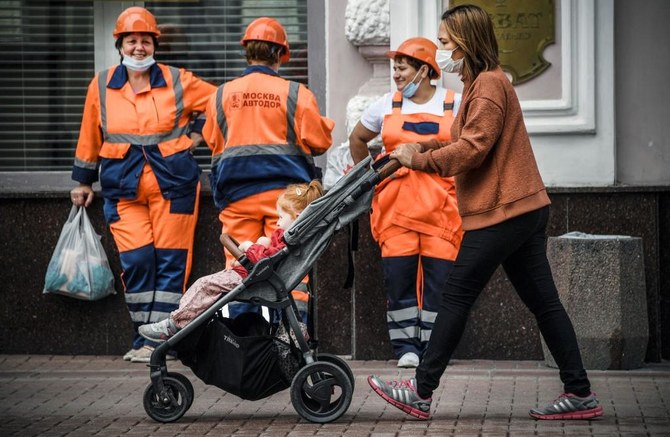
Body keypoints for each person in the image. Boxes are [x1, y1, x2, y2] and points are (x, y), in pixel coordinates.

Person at [367, 4, 603, 421]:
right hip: (519, 208)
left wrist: (418, 160)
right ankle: (579, 392)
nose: (441, 50)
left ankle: (420, 390)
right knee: (545, 304)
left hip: (503, 211)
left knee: (456, 295)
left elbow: (473, 149)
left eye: (445, 42)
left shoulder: (490, 85)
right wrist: (422, 147)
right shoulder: (480, 83)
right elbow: (462, 140)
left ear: (465, 42)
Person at [70, 6, 217, 363]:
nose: (139, 48)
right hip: (123, 189)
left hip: (174, 186)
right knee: (136, 261)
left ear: (155, 45)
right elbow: (89, 133)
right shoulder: (101, 85)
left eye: (145, 41)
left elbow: (219, 102)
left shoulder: (178, 80)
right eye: (131, 41)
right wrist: (83, 181)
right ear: (120, 45)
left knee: (171, 262)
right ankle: (142, 338)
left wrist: (197, 135)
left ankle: (162, 342)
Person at [202, 17, 333, 321]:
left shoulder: (220, 95)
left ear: (247, 52)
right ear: (280, 54)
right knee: (290, 267)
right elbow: (320, 141)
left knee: (239, 267)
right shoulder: (296, 93)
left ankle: (243, 336)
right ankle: (291, 334)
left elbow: (213, 140)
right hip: (286, 200)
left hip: (237, 196)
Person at [349, 37, 463, 369]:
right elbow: (357, 138)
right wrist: (369, 178)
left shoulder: (454, 104)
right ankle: (405, 349)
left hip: (442, 212)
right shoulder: (386, 104)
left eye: (402, 68)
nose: (396, 74)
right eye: (395, 68)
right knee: (398, 282)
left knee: (440, 285)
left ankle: (434, 350)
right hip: (396, 211)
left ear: (425, 70)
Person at [138, 181, 324, 342]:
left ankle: (175, 324)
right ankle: (179, 322)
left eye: (281, 217)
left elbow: (266, 259)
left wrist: (250, 247)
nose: (277, 223)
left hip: (253, 278)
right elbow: (273, 255)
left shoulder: (289, 238)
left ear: (297, 217)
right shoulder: (289, 236)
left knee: (204, 285)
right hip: (255, 275)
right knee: (205, 287)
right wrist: (263, 243)